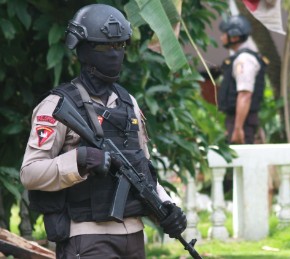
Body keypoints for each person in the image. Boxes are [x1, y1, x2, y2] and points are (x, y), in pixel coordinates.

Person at [20, 4, 187, 258]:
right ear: (83, 49)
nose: (114, 53)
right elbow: (30, 173)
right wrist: (79, 160)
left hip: (133, 235)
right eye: (104, 47)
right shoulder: (58, 106)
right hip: (86, 236)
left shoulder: (128, 102)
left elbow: (143, 168)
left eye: (120, 46)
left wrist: (167, 206)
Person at [217, 15, 268, 144]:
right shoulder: (240, 57)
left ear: (234, 37)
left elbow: (245, 95)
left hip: (243, 122)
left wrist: (238, 128)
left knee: (244, 160)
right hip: (239, 119)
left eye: (224, 34)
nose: (221, 37)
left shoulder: (244, 59)